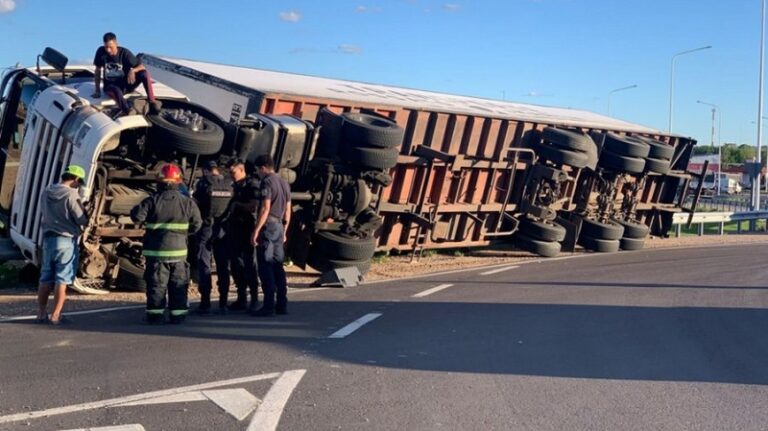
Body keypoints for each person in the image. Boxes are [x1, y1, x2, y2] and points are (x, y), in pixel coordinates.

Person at [131, 163, 202, 324]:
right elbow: (197, 224)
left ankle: (155, 316)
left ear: (159, 181)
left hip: (156, 253)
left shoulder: (152, 201)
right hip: (179, 253)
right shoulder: (188, 203)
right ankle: (178, 316)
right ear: (179, 181)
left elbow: (137, 217)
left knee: (157, 285)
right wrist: (183, 234)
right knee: (179, 285)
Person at [36, 165, 89, 325]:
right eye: (79, 183)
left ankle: (41, 313)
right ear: (76, 179)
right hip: (66, 240)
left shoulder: (46, 192)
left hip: (48, 240)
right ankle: (56, 315)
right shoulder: (71, 194)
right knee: (62, 279)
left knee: (45, 278)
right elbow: (82, 219)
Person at [250, 155, 291, 317]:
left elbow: (265, 208)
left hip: (269, 227)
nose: (258, 173)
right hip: (280, 226)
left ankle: (268, 306)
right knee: (278, 265)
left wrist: (256, 230)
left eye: (258, 170)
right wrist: (285, 231)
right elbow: (288, 209)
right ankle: (282, 304)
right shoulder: (284, 183)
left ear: (263, 168)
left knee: (265, 266)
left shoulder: (267, 182)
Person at [192, 161, 234, 314]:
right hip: (222, 229)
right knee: (223, 266)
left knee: (205, 265)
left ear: (206, 170)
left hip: (206, 228)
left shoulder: (203, 183)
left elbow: (195, 204)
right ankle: (223, 302)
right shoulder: (230, 183)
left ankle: (205, 303)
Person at [91, 32, 160, 116]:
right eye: (106, 47)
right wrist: (97, 90)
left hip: (126, 84)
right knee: (115, 89)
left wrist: (133, 70)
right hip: (111, 86)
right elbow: (97, 71)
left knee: (144, 74)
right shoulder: (101, 52)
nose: (108, 50)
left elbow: (142, 67)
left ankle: (152, 102)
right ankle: (127, 110)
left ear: (116, 44)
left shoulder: (124, 53)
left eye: (111, 47)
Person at [225, 159, 261, 313]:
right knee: (236, 264)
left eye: (233, 172)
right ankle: (241, 298)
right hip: (234, 228)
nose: (231, 175)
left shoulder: (251, 184)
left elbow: (253, 206)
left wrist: (236, 205)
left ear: (241, 170)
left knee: (249, 264)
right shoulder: (233, 186)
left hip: (246, 227)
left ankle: (254, 298)